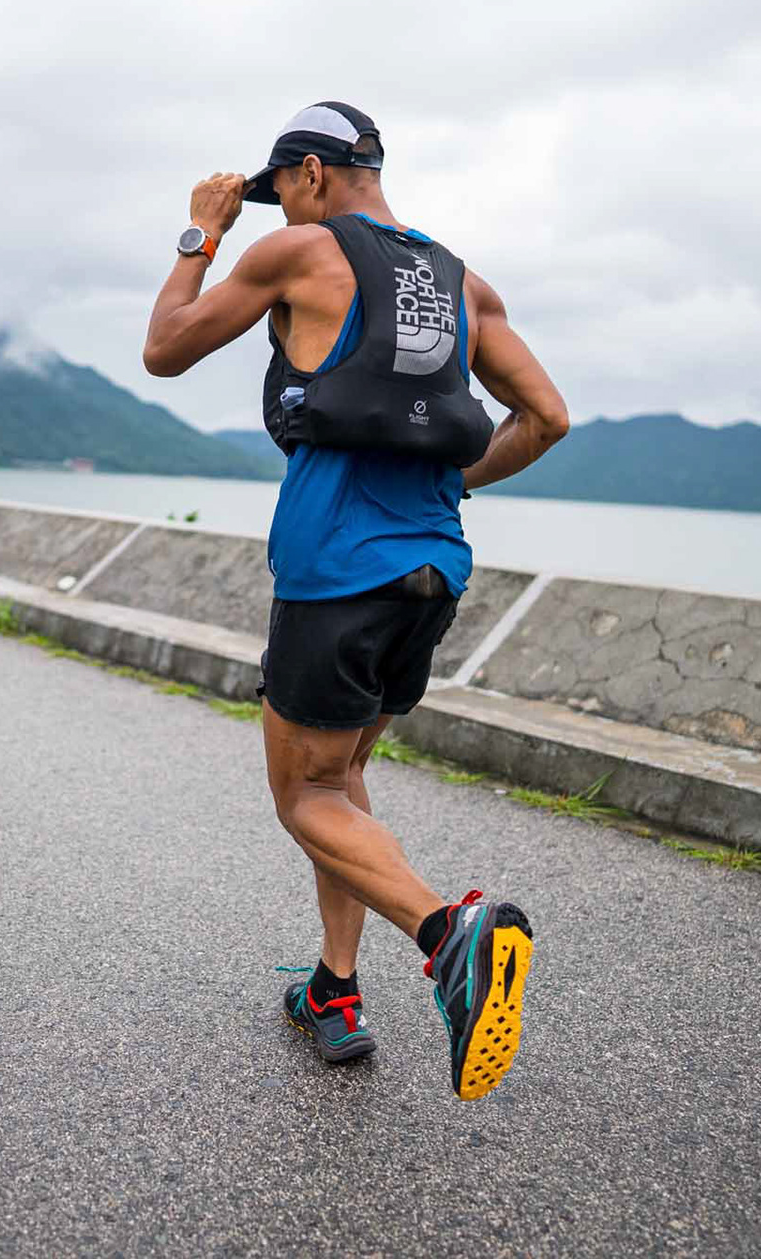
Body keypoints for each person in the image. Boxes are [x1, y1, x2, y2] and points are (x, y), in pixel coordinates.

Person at [141, 102, 570, 1100]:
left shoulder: (297, 253)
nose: (279, 205)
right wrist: (451, 487)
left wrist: (202, 233)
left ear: (316, 175)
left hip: (336, 566)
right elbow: (546, 416)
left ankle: (448, 933)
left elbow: (165, 348)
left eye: (280, 187)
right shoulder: (465, 282)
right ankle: (335, 986)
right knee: (342, 781)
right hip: (433, 574)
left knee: (307, 795)